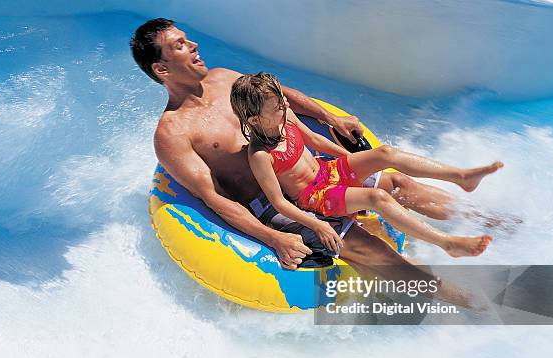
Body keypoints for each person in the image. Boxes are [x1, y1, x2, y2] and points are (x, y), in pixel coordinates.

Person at [129, 18, 484, 307]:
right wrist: (274, 238)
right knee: (368, 249)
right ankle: (468, 305)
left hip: (306, 173)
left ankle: (493, 222)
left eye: (187, 40)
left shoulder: (223, 78)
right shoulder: (173, 134)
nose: (193, 46)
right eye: (179, 45)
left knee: (397, 183)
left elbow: (280, 98)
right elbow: (215, 199)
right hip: (273, 202)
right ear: (162, 68)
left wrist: (330, 118)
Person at [231, 72, 501, 257]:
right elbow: (279, 202)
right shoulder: (260, 156)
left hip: (327, 169)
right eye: (277, 105)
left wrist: (354, 162)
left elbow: (315, 140)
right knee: (377, 197)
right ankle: (447, 243)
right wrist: (317, 225)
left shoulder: (285, 117)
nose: (285, 104)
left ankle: (461, 176)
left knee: (385, 153)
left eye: (282, 99)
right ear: (254, 120)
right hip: (316, 195)